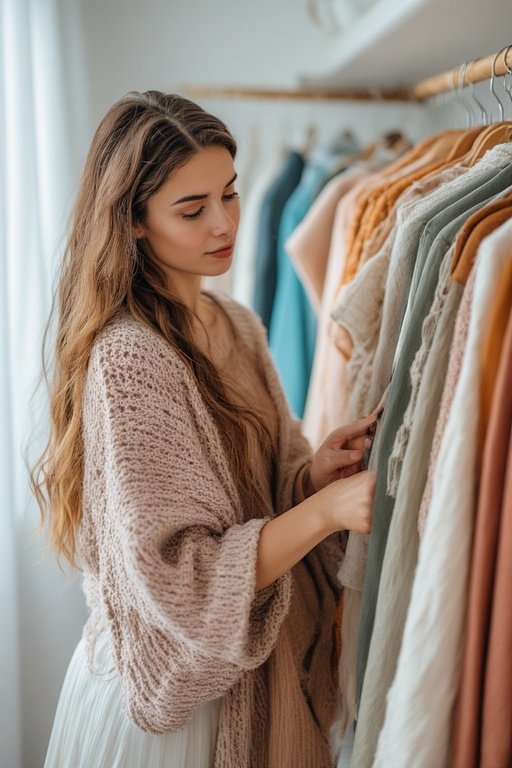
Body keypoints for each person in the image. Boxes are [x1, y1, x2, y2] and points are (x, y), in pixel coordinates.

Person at [32, 91, 376, 768]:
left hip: (254, 674)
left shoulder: (236, 324)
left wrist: (310, 478)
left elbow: (250, 492)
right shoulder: (129, 359)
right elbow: (180, 580)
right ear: (132, 222)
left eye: (230, 194)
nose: (224, 224)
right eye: (192, 210)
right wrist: (323, 513)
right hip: (181, 711)